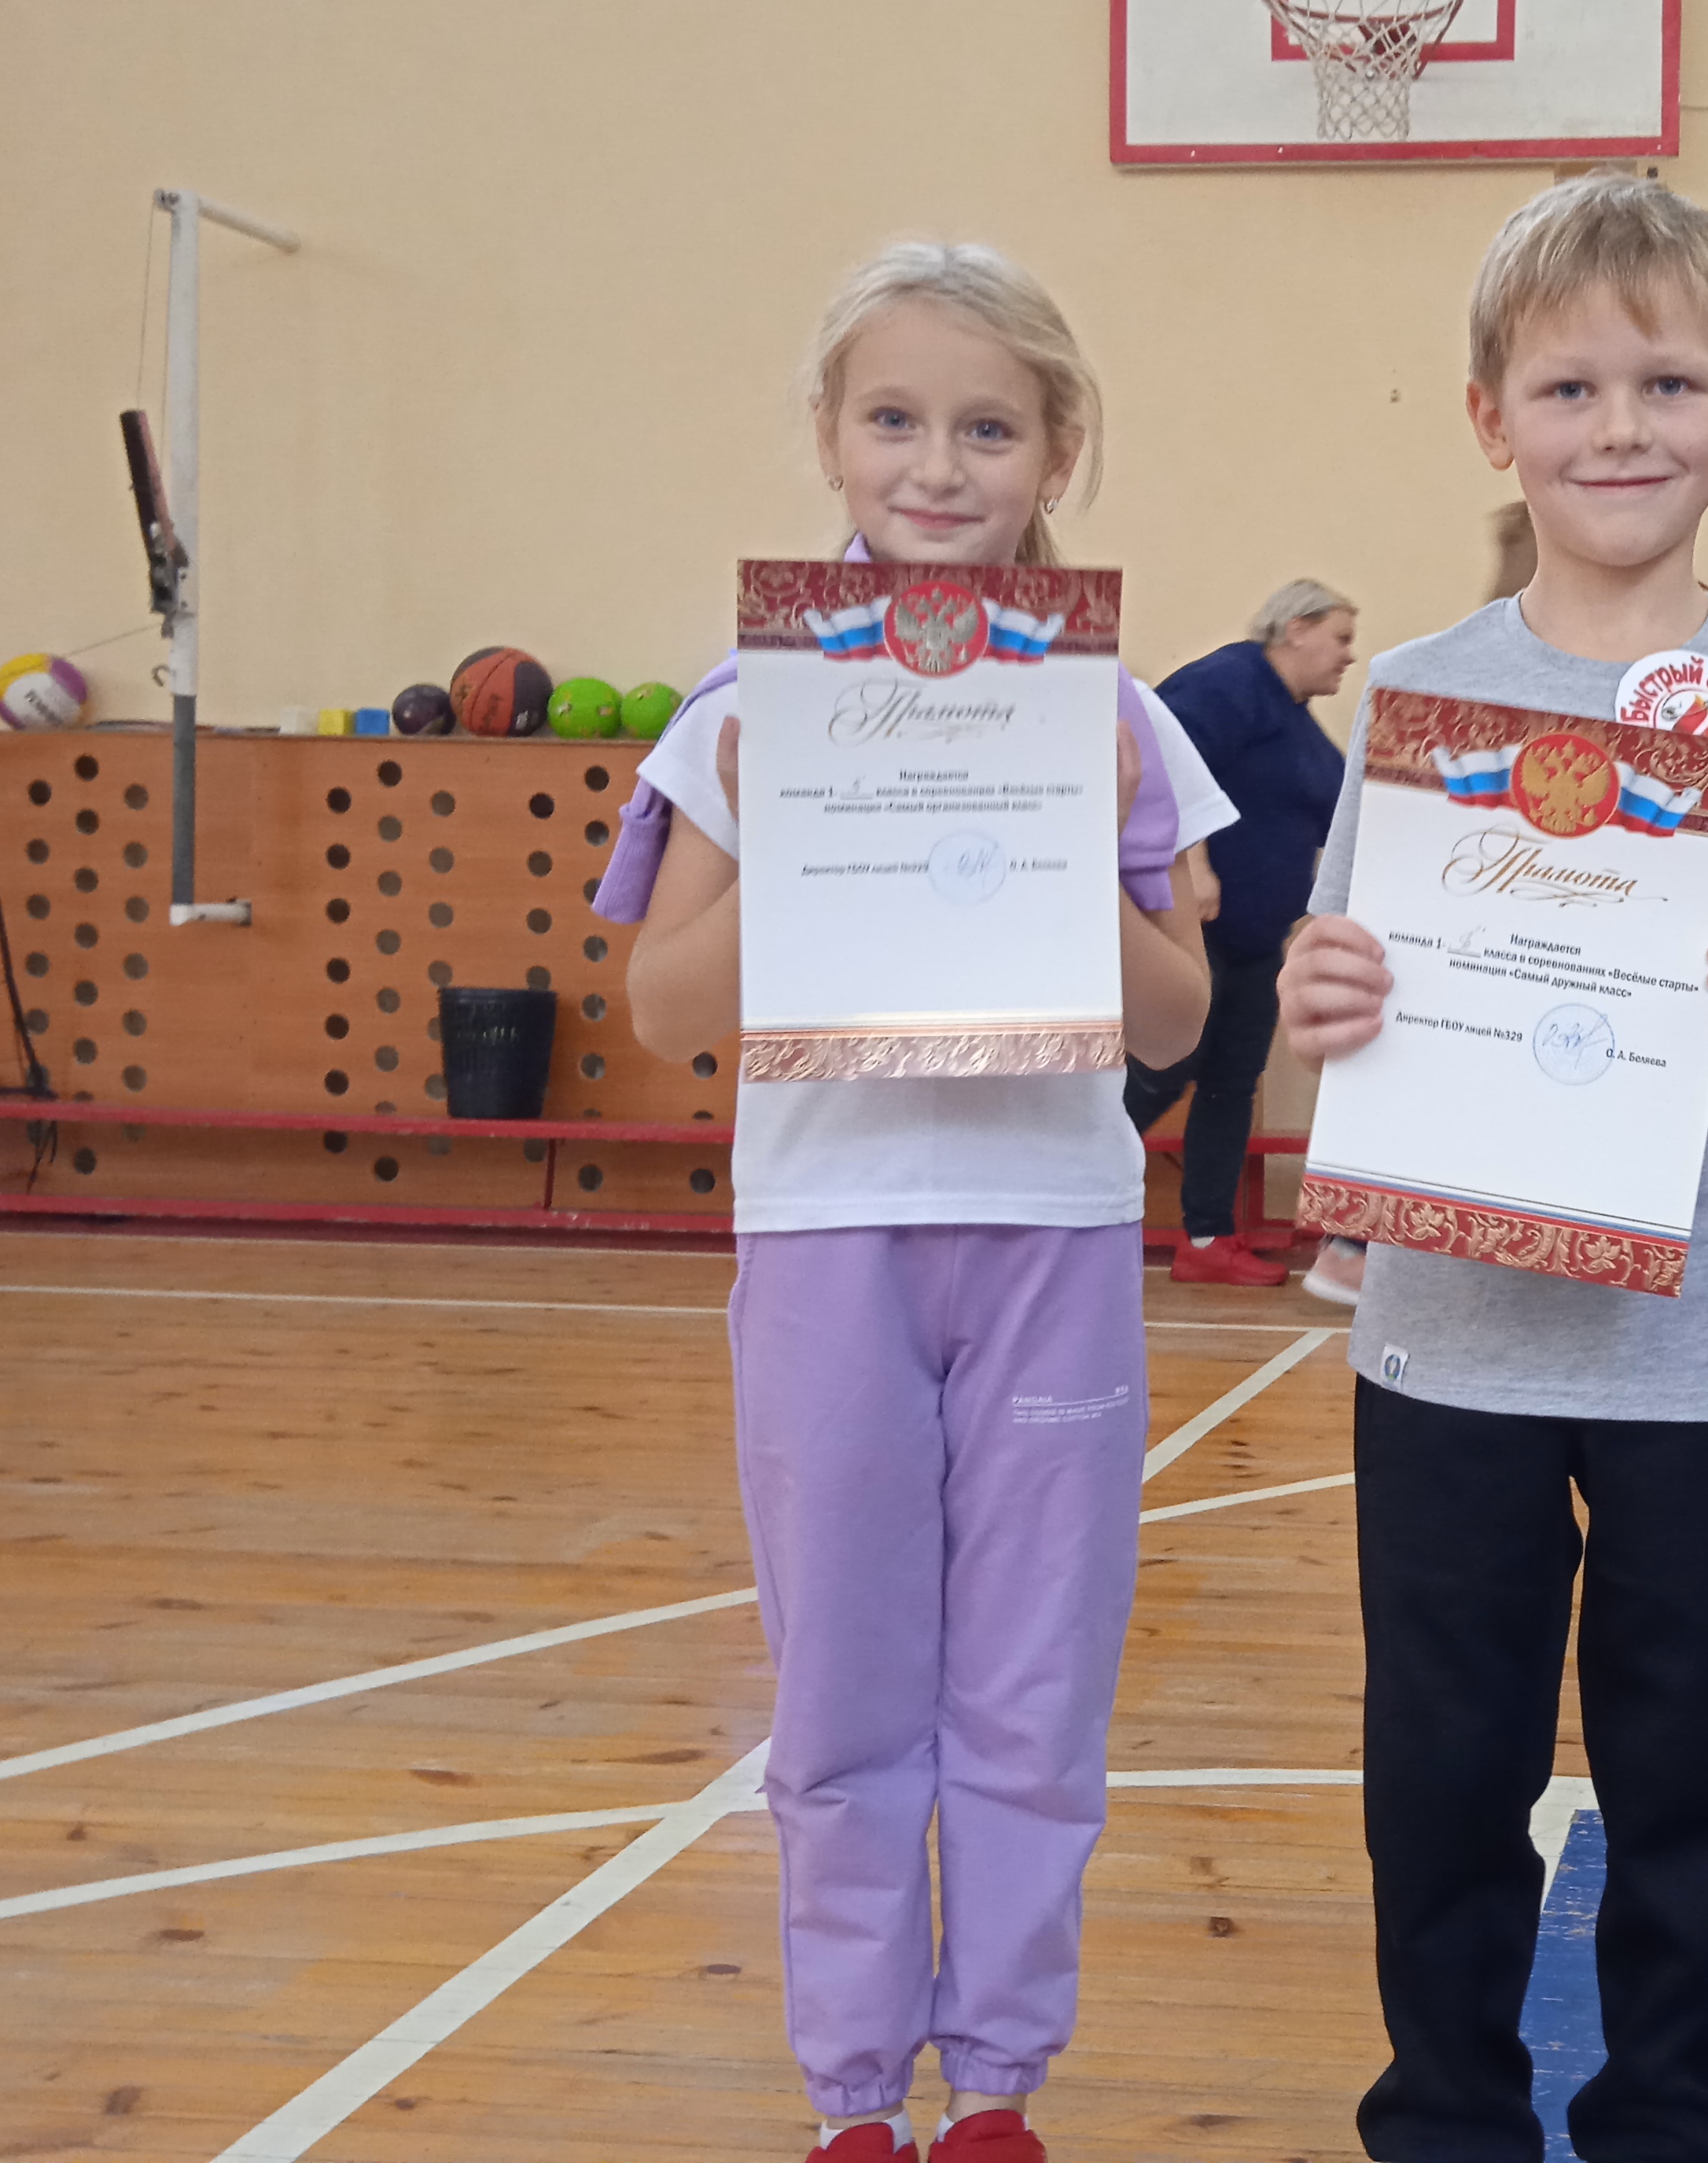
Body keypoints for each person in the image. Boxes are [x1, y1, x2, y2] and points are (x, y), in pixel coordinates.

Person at [1279, 171, 1708, 2163]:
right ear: (1492, 420)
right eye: (1568, 387)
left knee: (1698, 1781)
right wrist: (1318, 987)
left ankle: (1667, 2117)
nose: (1619, 426)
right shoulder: (1417, 697)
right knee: (1440, 1775)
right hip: (1446, 1344)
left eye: (1667, 382)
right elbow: (1337, 977)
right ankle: (1445, 2115)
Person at [608, 243, 1232, 2163]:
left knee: (1034, 1689)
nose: (937, 466)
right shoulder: (745, 707)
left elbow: (1180, 1018)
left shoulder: (1119, 715)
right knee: (846, 1689)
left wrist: (1070, 853)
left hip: (1051, 1228)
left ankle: (1000, 2087)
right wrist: (813, 835)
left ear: (1060, 453)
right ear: (828, 436)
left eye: (987, 428)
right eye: (894, 418)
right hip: (830, 1235)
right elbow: (662, 1008)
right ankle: (855, 2095)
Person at [1125, 579, 1356, 1290]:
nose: (1349, 656)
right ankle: (1065, 1187)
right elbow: (1162, 764)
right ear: (1296, 629)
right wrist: (1194, 866)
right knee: (1164, 1071)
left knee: (1231, 1083)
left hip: (1259, 940)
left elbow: (1338, 814)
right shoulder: (1230, 682)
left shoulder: (1297, 724)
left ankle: (1208, 1238)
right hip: (1203, 929)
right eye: (1341, 637)